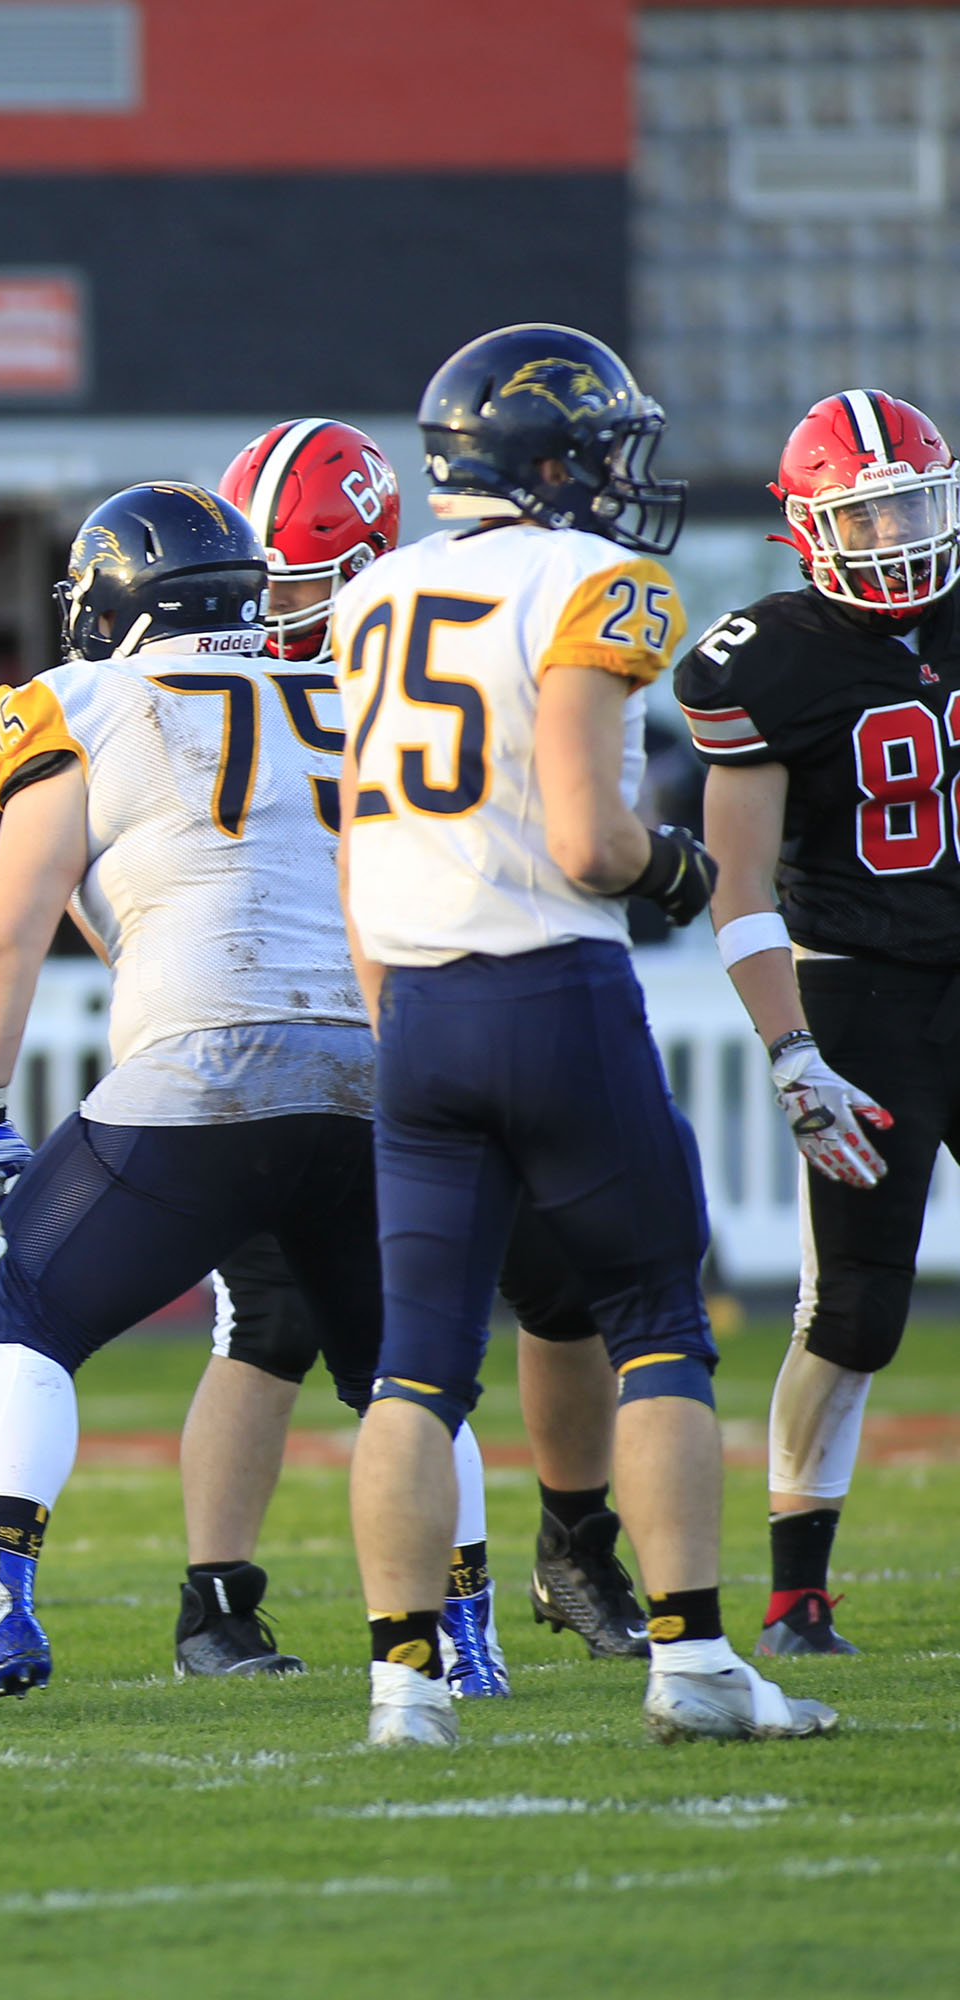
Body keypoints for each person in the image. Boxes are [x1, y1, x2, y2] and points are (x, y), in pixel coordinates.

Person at [333, 322, 832, 1747]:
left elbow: (362, 852)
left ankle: (402, 1686)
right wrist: (667, 865)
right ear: (548, 460)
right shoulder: (590, 580)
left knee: (416, 1371)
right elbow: (586, 835)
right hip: (549, 990)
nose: (618, 481)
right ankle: (693, 1664)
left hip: (415, 1005)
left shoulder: (374, 598)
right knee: (660, 1330)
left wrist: (407, 1031)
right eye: (603, 453)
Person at [0, 481, 391, 1719]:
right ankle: (459, 1633)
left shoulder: (76, 701)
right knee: (405, 1376)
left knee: (29, 1312)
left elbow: (9, 931)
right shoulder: (350, 693)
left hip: (205, 1061)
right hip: (374, 1065)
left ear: (112, 604)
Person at [176, 420, 648, 1687]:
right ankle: (217, 1599)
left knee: (555, 1289)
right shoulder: (197, 688)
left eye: (285, 586)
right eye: (245, 585)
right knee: (271, 1316)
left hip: (434, 1011)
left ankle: (569, 1540)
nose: (259, 617)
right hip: (292, 1037)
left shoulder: (404, 643)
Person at [675, 388, 960, 1658]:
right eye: (869, 509)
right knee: (852, 1309)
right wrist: (794, 1050)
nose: (900, 530)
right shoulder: (769, 660)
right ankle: (797, 1594)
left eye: (914, 500)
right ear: (806, 528)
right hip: (860, 988)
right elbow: (738, 886)